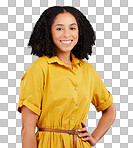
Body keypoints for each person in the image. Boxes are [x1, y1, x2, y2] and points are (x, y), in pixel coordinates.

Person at [17, 6, 116, 148]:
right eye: (59, 28)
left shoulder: (88, 71)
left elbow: (109, 110)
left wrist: (94, 137)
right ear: (47, 32)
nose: (66, 34)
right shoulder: (39, 69)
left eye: (72, 28)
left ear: (80, 31)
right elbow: (27, 129)